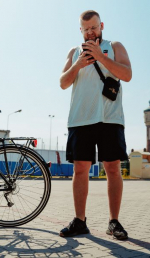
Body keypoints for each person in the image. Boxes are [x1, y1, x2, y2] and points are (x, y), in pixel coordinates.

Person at [59, 10, 132, 239]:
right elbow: (62, 83)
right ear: (80, 30)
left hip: (110, 119)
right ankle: (80, 222)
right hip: (81, 119)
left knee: (112, 169)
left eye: (94, 27)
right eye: (86, 29)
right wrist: (78, 64)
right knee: (80, 169)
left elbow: (127, 74)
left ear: (101, 25)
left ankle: (114, 222)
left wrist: (101, 57)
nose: (90, 33)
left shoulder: (115, 46)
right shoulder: (73, 52)